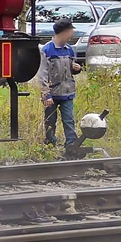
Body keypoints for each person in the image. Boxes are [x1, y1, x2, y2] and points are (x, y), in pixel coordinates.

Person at [36, 18, 82, 146]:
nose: (72, 34)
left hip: (67, 92)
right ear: (64, 32)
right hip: (52, 94)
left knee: (69, 120)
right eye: (70, 31)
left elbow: (70, 68)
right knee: (50, 120)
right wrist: (46, 94)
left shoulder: (69, 50)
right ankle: (50, 143)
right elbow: (42, 75)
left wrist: (76, 69)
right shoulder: (46, 50)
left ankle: (72, 144)